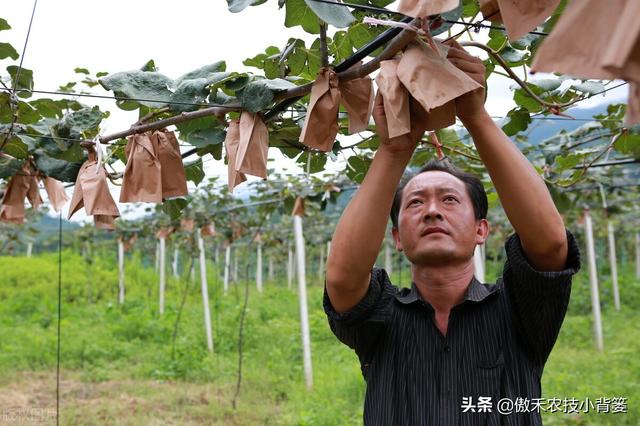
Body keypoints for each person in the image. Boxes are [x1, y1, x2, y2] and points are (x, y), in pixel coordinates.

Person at [324, 41, 581, 425]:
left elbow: (550, 244)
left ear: (481, 230)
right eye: (414, 203)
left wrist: (476, 116)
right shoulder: (382, 319)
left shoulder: (518, 312)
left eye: (448, 200)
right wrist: (393, 151)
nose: (430, 211)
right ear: (396, 238)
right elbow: (343, 280)